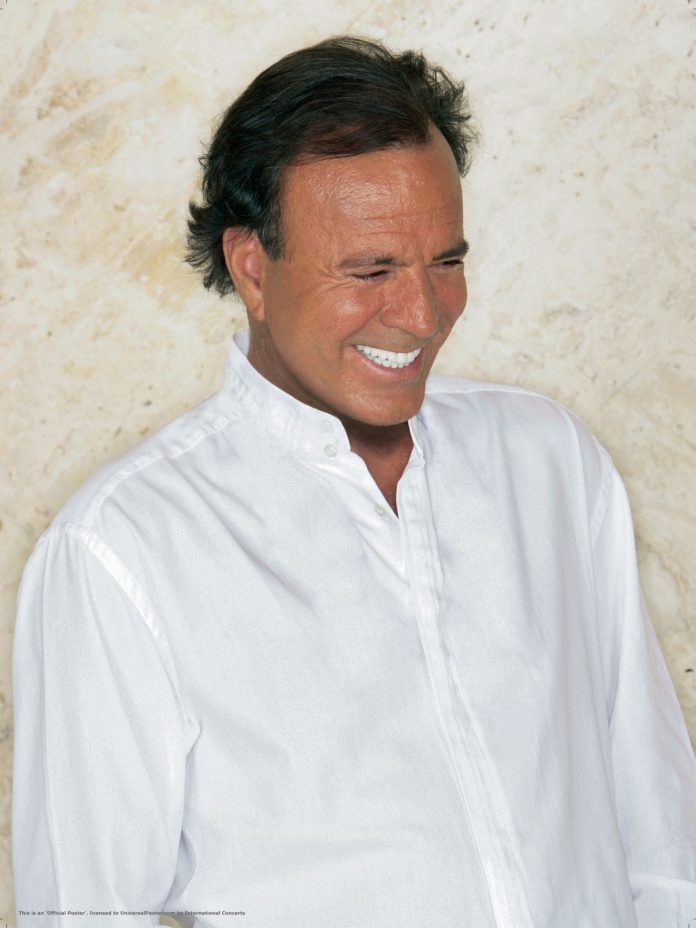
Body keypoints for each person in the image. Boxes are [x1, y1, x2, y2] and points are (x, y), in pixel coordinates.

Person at [12, 35, 696, 928]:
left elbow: (662, 842)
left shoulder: (551, 465)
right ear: (253, 268)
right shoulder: (121, 551)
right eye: (371, 270)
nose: (421, 314)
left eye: (446, 262)